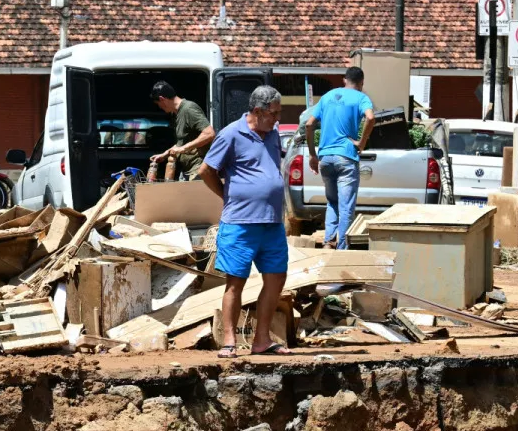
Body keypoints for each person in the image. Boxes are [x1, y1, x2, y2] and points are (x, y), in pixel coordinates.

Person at [202, 85, 289, 356]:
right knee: (235, 282)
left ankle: (261, 340)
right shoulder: (230, 134)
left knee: (276, 279)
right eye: (273, 114)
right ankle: (229, 340)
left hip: (272, 223)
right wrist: (226, 196)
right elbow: (206, 170)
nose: (277, 119)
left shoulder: (272, 135)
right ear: (258, 111)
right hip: (240, 223)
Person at [302, 67, 376, 249]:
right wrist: (361, 142)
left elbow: (309, 124)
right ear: (362, 83)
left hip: (325, 158)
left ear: (344, 80)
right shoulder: (361, 98)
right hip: (346, 157)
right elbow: (371, 118)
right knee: (346, 207)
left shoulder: (327, 96)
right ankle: (341, 249)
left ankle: (328, 242)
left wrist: (312, 154)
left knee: (332, 203)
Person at [148, 81, 213, 180]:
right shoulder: (176, 114)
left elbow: (209, 134)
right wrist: (165, 154)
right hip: (187, 170)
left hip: (198, 170)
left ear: (162, 99)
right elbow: (182, 142)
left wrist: (184, 148)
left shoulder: (189, 109)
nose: (159, 107)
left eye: (158, 104)